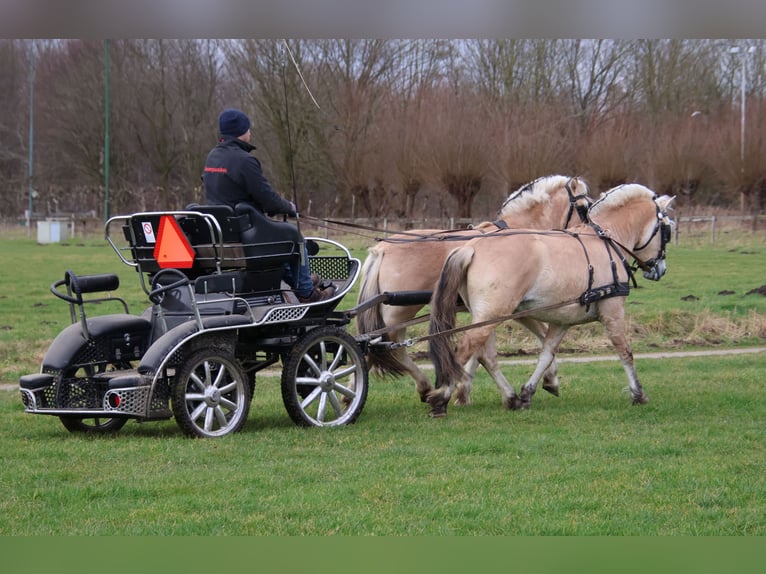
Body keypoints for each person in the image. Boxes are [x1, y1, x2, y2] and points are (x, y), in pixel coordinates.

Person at [203, 108, 335, 303]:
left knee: (278, 240)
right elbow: (268, 198)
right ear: (242, 130)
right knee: (293, 236)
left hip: (222, 233)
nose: (251, 132)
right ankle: (307, 292)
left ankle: (299, 279)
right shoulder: (244, 161)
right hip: (246, 231)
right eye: (248, 128)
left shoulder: (212, 156)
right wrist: (289, 207)